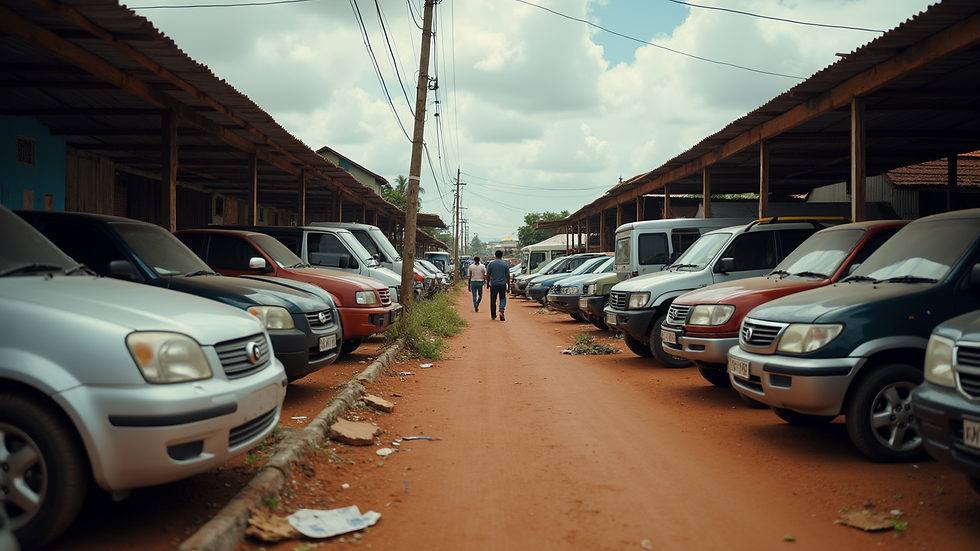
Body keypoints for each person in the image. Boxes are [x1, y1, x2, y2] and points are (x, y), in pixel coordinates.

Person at [485, 249, 510, 321]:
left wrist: (487, 283)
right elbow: (507, 275)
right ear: (502, 256)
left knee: (493, 300)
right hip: (502, 284)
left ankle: (493, 315)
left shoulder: (491, 264)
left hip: (493, 284)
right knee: (502, 298)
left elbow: (488, 275)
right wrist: (508, 286)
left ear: (495, 255)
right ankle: (501, 310)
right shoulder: (505, 264)